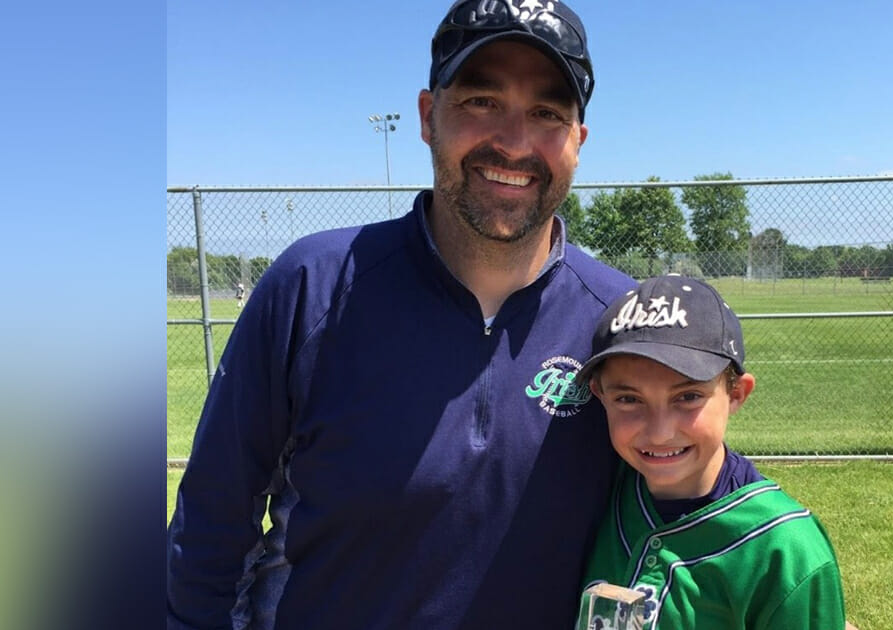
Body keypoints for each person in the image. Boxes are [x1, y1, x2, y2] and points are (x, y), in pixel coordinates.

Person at [166, 1, 635, 628]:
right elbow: (211, 525)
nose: (515, 142)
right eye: (481, 102)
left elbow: (690, 490)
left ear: (578, 141)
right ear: (426, 115)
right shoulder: (313, 287)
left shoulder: (619, 320)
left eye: (547, 113)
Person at [576, 275, 847, 629]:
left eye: (688, 397)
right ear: (600, 394)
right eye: (628, 399)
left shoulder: (784, 550)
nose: (660, 432)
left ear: (736, 393)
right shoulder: (604, 487)